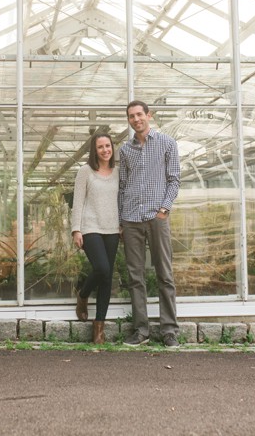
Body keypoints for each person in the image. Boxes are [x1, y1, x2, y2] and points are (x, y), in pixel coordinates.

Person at [117, 100, 180, 347]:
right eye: (131, 116)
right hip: (131, 219)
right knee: (135, 276)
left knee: (164, 274)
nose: (136, 119)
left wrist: (163, 210)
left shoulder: (167, 143)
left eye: (139, 114)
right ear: (129, 120)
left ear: (148, 116)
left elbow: (174, 180)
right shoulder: (125, 150)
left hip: (157, 217)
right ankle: (141, 330)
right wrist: (121, 220)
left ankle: (169, 331)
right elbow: (122, 186)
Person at [71, 132, 121, 345]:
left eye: (108, 146)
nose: (105, 150)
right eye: (100, 147)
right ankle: (83, 295)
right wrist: (76, 229)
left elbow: (123, 199)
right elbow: (78, 201)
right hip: (90, 227)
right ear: (94, 150)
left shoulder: (119, 172)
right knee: (102, 269)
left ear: (112, 148)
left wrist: (124, 226)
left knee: (107, 279)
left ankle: (98, 328)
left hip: (113, 229)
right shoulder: (85, 171)